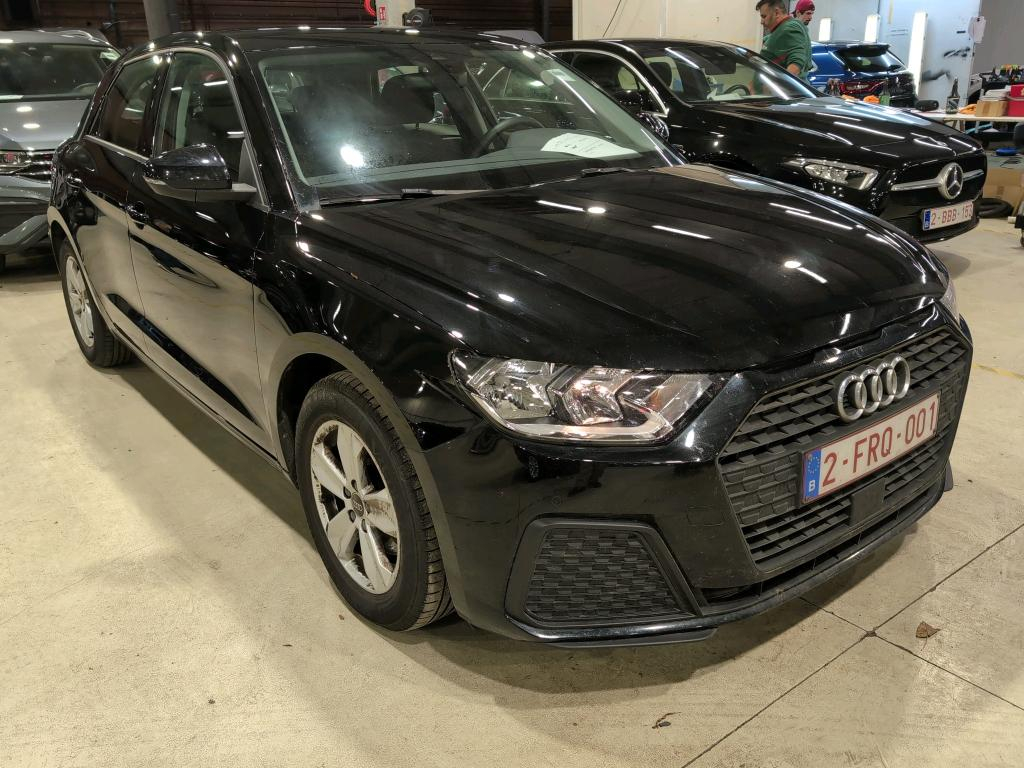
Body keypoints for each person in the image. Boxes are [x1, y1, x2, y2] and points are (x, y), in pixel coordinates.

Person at [757, 0, 812, 80]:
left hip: (782, 87)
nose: (762, 22)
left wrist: (776, 85)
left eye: (764, 16)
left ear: (776, 13)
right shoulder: (782, 29)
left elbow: (796, 65)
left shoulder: (789, 28)